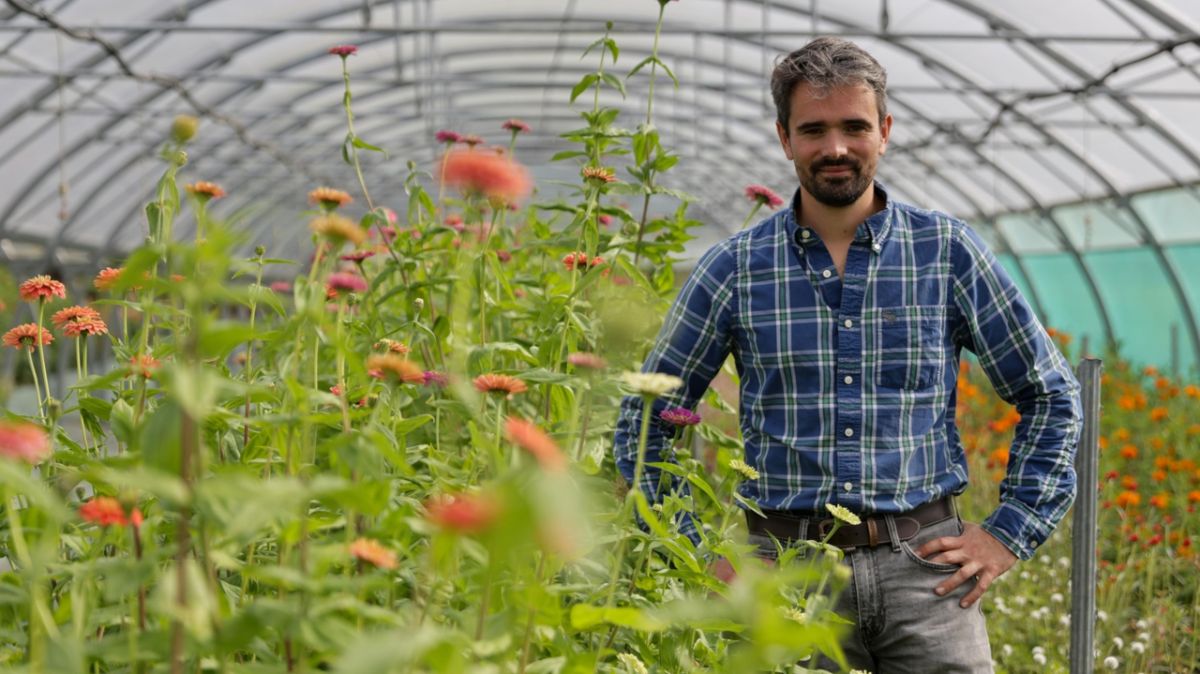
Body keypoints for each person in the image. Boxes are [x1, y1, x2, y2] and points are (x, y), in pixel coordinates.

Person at [612, 37, 1082, 672]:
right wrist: (696, 554)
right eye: (814, 129)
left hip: (930, 576)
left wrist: (1008, 532)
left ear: (884, 131)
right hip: (786, 582)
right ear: (785, 138)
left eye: (854, 126)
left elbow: (1049, 393)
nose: (835, 147)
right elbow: (645, 420)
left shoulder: (946, 253)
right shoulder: (735, 268)